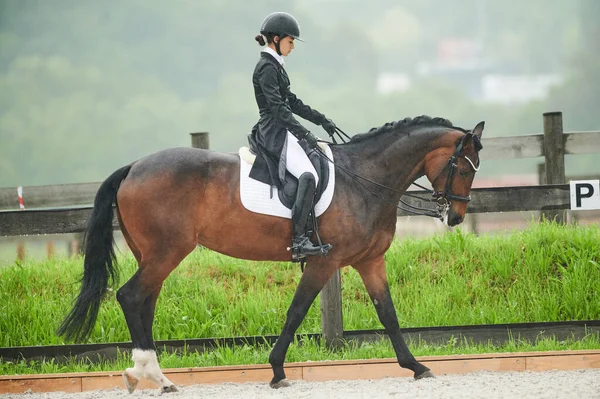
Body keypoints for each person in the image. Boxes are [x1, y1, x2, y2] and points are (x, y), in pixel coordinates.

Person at [249, 11, 335, 261]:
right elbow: (278, 109)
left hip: (282, 128)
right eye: (290, 41)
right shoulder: (266, 68)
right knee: (308, 175)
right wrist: (305, 134)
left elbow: (292, 102)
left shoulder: (275, 66)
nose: (293, 46)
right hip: (273, 132)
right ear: (276, 39)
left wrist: (320, 119)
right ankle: (299, 241)